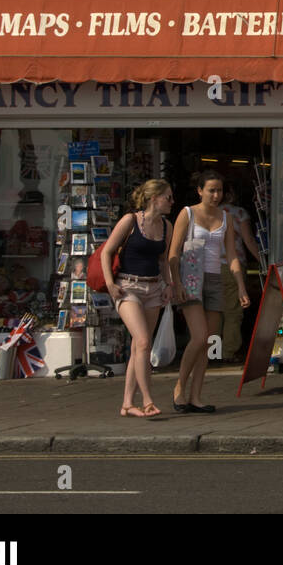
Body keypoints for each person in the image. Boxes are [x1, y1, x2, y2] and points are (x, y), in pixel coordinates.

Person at [168, 170, 250, 413]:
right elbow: (173, 253)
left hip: (216, 277)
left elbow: (232, 256)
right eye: (211, 190)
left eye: (220, 190)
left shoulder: (227, 217)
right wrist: (177, 284)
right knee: (200, 337)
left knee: (208, 342)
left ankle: (196, 396)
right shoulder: (187, 213)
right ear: (200, 191)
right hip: (191, 277)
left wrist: (241, 286)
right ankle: (179, 388)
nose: (216, 195)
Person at [101, 179, 174, 418]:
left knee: (139, 347)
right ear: (154, 198)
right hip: (127, 287)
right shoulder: (130, 221)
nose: (172, 202)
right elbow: (107, 252)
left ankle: (127, 404)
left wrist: (168, 285)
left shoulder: (166, 226)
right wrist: (111, 284)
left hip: (153, 288)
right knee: (143, 342)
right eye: (168, 197)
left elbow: (163, 260)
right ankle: (148, 400)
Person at [221, 184, 265, 362]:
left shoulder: (208, 213)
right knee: (233, 311)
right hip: (233, 265)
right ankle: (228, 352)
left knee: (214, 312)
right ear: (230, 195)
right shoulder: (238, 213)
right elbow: (248, 241)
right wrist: (263, 261)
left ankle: (211, 352)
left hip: (208, 267)